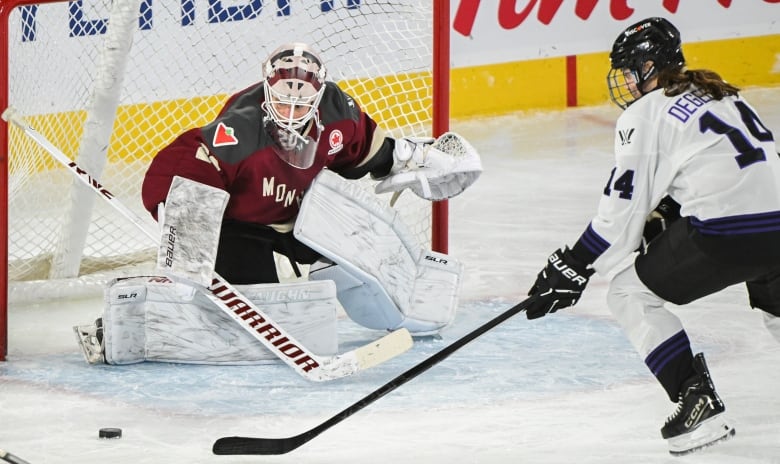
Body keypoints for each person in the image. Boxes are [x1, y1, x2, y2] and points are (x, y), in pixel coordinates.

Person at [73, 42, 480, 367]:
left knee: (369, 261)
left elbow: (366, 153)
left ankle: (411, 311)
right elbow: (184, 162)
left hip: (306, 214)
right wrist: (179, 213)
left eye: (301, 104)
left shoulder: (338, 113)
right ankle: (127, 328)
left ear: (318, 96)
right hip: (240, 224)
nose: (290, 113)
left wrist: (415, 158)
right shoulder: (239, 130)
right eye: (282, 102)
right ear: (268, 90)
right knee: (252, 321)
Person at [524, 17, 779, 456]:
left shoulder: (647, 112)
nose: (624, 83)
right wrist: (669, 214)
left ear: (649, 66)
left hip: (726, 233)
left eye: (628, 71)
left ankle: (696, 402)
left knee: (627, 294)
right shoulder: (725, 95)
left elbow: (619, 218)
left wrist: (574, 264)